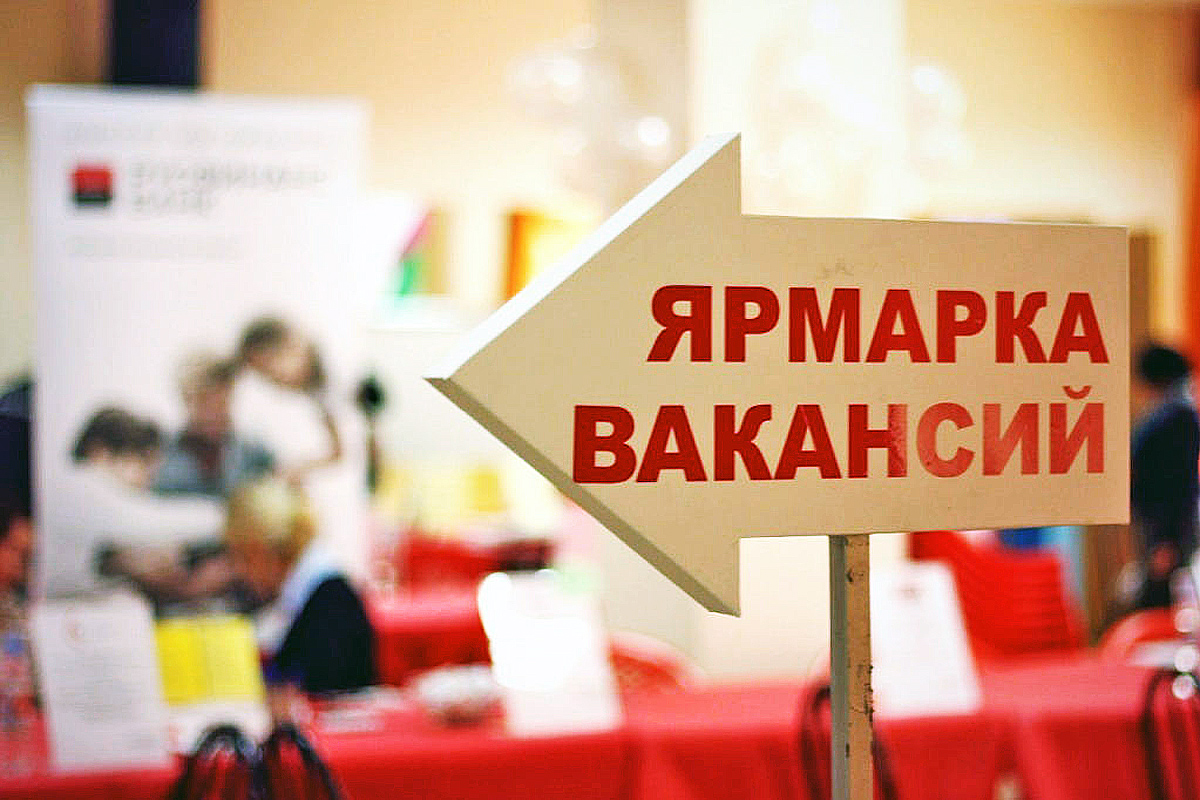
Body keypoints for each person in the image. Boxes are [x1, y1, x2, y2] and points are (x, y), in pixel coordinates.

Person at [40, 407, 225, 598]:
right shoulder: (80, 484)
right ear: (100, 453)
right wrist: (230, 516)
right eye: (144, 465)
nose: (147, 481)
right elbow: (148, 520)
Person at [224, 479, 374, 695]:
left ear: (260, 550)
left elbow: (323, 688)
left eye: (242, 557)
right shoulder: (303, 589)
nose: (239, 571)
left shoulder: (331, 600)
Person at [1130, 344, 1200, 609]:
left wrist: (1166, 539)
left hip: (1166, 531)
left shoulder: (1177, 417)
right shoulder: (1172, 414)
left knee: (1159, 604)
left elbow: (1178, 484)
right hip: (1161, 527)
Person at [235, 317, 342, 483]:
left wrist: (301, 469)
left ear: (291, 344)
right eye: (263, 375)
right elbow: (336, 452)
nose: (273, 380)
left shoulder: (337, 378)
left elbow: (344, 454)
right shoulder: (318, 393)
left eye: (269, 367)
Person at [156, 353, 276, 498]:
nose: (214, 411)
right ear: (187, 400)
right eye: (205, 401)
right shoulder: (159, 452)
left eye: (221, 402)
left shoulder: (255, 452)